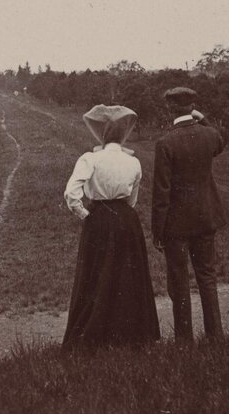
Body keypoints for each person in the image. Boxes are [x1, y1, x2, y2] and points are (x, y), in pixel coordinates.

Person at [62, 104, 160, 349]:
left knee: (96, 273)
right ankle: (130, 334)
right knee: (127, 274)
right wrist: (122, 212)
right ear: (122, 134)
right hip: (127, 220)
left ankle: (97, 334)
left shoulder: (90, 159)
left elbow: (71, 194)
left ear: (103, 135)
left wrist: (85, 214)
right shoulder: (133, 162)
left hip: (100, 218)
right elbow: (132, 200)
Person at [151, 86, 227, 342]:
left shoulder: (165, 143)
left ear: (170, 109)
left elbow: (161, 193)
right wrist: (201, 117)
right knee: (207, 276)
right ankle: (215, 336)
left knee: (179, 281)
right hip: (206, 218)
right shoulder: (209, 136)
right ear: (191, 107)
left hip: (177, 225)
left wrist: (157, 231)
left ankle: (185, 341)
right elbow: (220, 140)